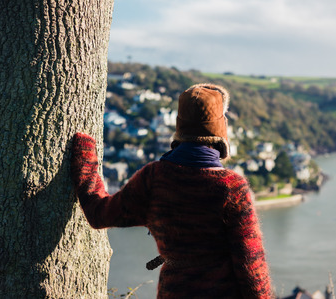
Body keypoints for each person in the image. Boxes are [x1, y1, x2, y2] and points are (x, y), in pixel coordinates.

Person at [71, 83, 274, 298]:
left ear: (180, 128)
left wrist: (84, 153)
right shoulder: (232, 187)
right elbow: (250, 264)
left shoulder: (154, 177)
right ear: (221, 130)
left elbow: (99, 214)